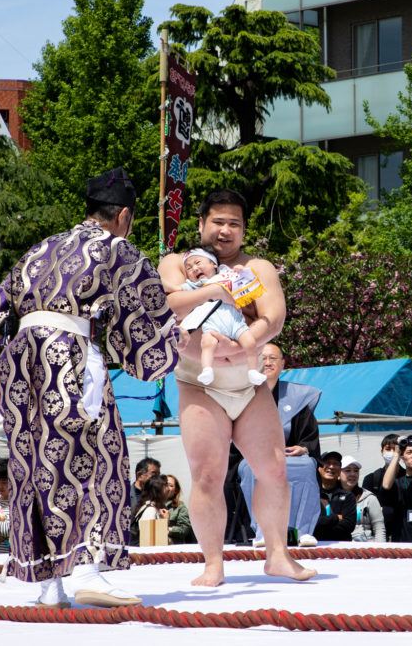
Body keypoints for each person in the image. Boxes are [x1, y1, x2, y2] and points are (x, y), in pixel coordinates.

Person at [0, 167, 183, 608]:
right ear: (122, 214)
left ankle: (50, 582)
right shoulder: (116, 248)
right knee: (92, 456)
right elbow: (146, 318)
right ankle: (87, 567)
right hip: (67, 355)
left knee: (36, 465)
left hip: (20, 362)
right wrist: (167, 351)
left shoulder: (40, 248)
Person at [159, 189, 315, 586]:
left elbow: (274, 318)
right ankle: (213, 563)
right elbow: (172, 304)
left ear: (244, 230)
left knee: (275, 470)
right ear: (201, 224)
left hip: (247, 383)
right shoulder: (178, 263)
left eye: (235, 224)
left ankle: (278, 554)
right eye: (219, 222)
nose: (226, 230)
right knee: (208, 475)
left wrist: (244, 339)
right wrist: (214, 291)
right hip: (200, 383)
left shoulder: (257, 268)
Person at [236, 343, 322, 548]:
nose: (267, 363)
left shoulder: (297, 396)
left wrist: (303, 448)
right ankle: (262, 531)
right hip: (254, 457)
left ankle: (303, 531)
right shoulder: (242, 394)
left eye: (273, 358)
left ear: (282, 364)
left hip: (289, 457)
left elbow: (308, 434)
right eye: (263, 358)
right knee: (249, 469)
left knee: (307, 465)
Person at [163, 247, 267, 388]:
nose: (194, 268)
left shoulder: (225, 276)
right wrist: (163, 284)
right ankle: (207, 370)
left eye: (198, 262)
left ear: (214, 264)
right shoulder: (194, 286)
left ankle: (253, 371)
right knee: (207, 344)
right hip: (211, 326)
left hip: (236, 322)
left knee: (250, 342)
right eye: (189, 268)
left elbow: (244, 277)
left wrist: (240, 269)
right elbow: (172, 288)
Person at [340, 455, 386, 543]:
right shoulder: (333, 497)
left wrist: (380, 552)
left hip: (366, 549)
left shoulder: (369, 497)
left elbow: (379, 528)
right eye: (348, 470)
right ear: (339, 473)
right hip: (340, 549)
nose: (353, 474)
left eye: (356, 471)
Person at [313, 451, 356, 542]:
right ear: (319, 468)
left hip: (343, 549)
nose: (331, 467)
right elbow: (312, 523)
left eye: (335, 464)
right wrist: (336, 518)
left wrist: (323, 524)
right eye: (327, 463)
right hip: (317, 546)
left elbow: (349, 525)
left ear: (340, 470)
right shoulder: (311, 495)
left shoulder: (348, 496)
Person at [130, 475, 169, 546]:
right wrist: (164, 521)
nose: (168, 489)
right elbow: (148, 541)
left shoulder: (153, 508)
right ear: (158, 490)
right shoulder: (150, 510)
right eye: (165, 485)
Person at [162, 475, 194, 544]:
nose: (167, 487)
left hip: (173, 547)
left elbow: (184, 529)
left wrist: (168, 530)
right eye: (165, 484)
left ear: (176, 490)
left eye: (170, 485)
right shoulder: (154, 505)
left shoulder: (180, 508)